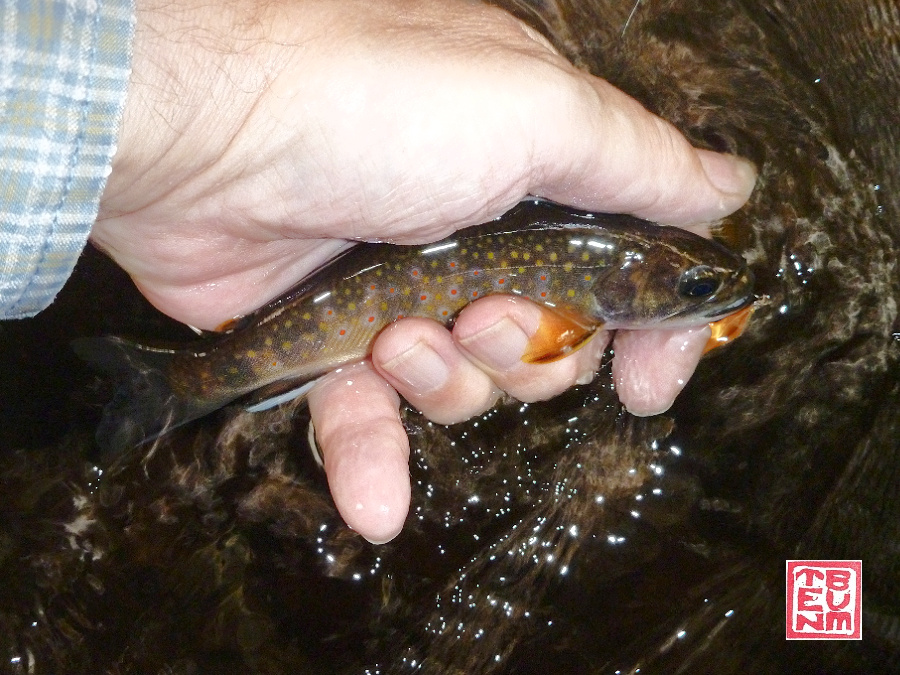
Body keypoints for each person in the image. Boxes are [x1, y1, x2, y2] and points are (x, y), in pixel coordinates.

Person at [1, 0, 756, 543]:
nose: (705, 297)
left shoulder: (592, 273)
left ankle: (185, 378)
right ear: (628, 286)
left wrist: (203, 126)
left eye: (698, 291)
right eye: (694, 289)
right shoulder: (583, 301)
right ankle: (179, 380)